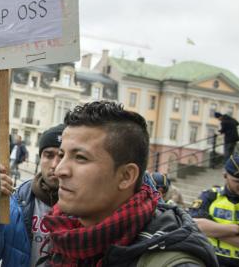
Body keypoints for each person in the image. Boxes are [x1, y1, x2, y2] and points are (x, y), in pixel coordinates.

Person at [43, 101, 217, 267]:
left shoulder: (173, 261)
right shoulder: (65, 233)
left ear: (126, 176)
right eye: (62, 154)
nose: (59, 170)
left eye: (80, 157)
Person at [0, 124, 65, 267]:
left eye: (62, 156)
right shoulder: (16, 201)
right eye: (48, 155)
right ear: (40, 158)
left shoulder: (85, 209)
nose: (55, 164)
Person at [189, 153, 239, 266]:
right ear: (225, 175)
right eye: (237, 181)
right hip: (210, 261)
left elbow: (203, 228)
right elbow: (194, 225)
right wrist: (236, 228)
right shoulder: (210, 195)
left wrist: (212, 230)